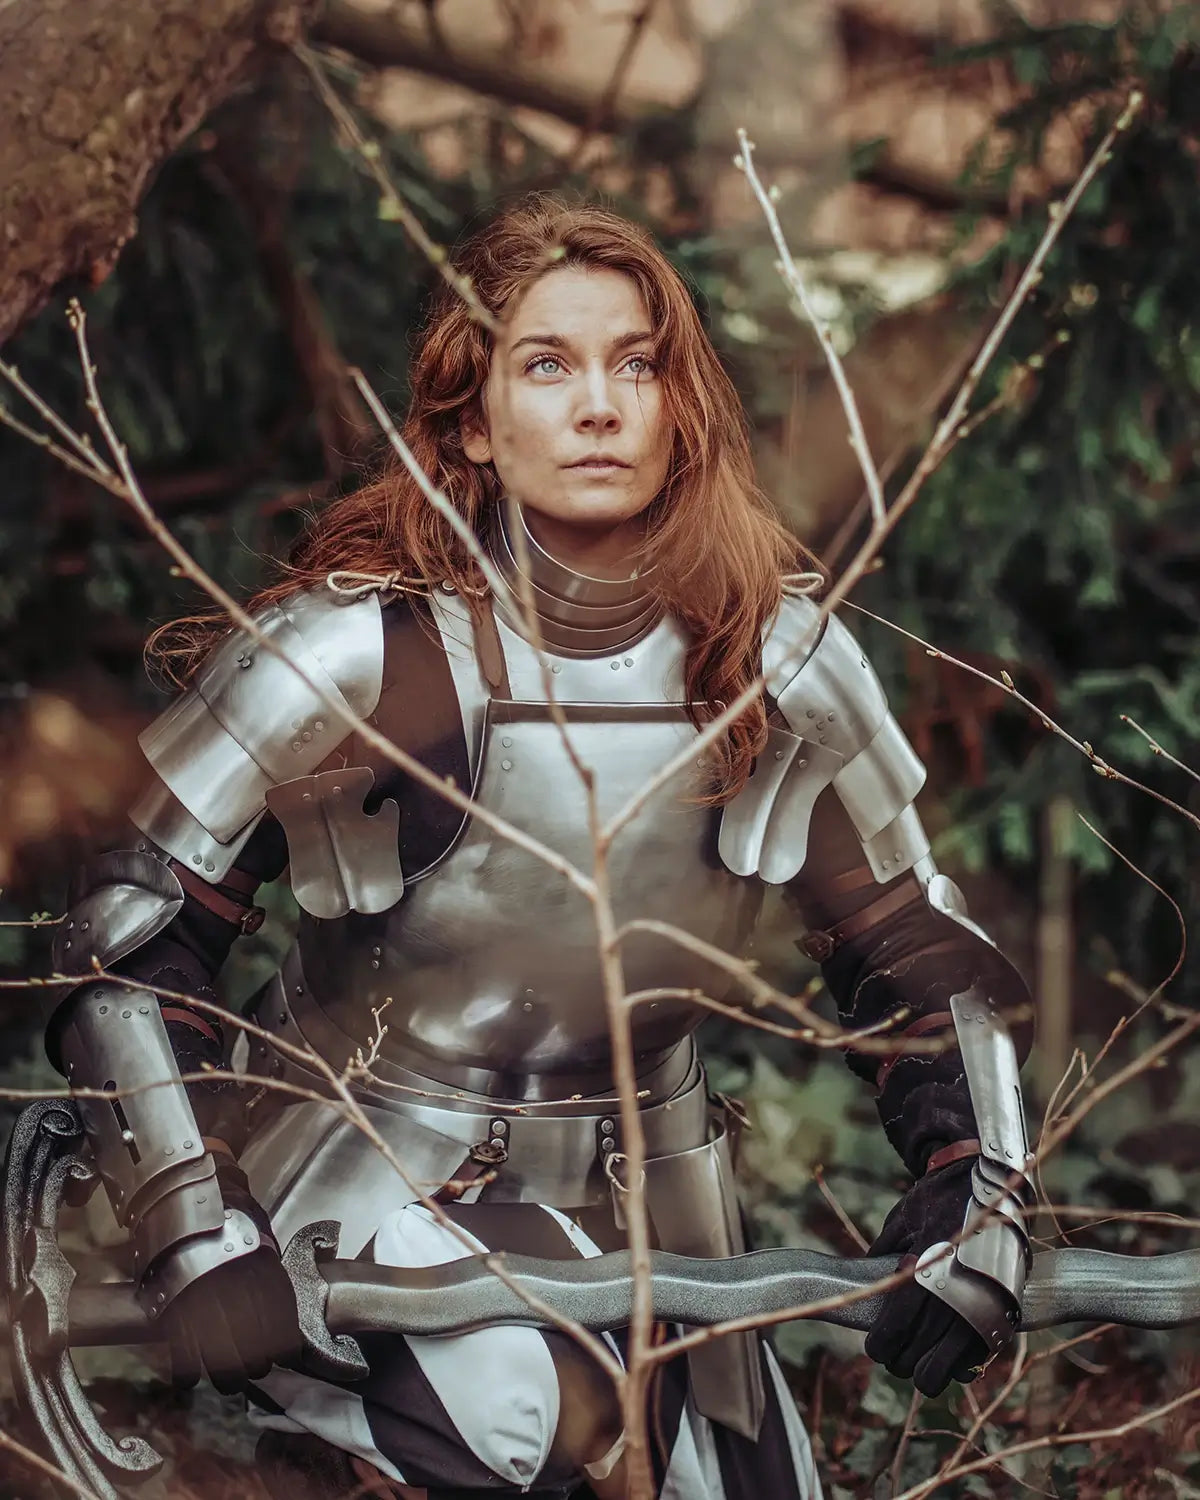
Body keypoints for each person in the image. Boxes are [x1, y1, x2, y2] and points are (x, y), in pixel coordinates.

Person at [48, 196, 1034, 1500]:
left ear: (681, 406)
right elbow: (128, 936)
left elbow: (916, 946)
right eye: (548, 364)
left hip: (666, 1214)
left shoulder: (778, 663)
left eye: (639, 363)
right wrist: (190, 1213)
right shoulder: (357, 660)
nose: (601, 405)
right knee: (512, 1410)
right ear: (470, 417)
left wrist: (981, 1188)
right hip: (366, 1187)